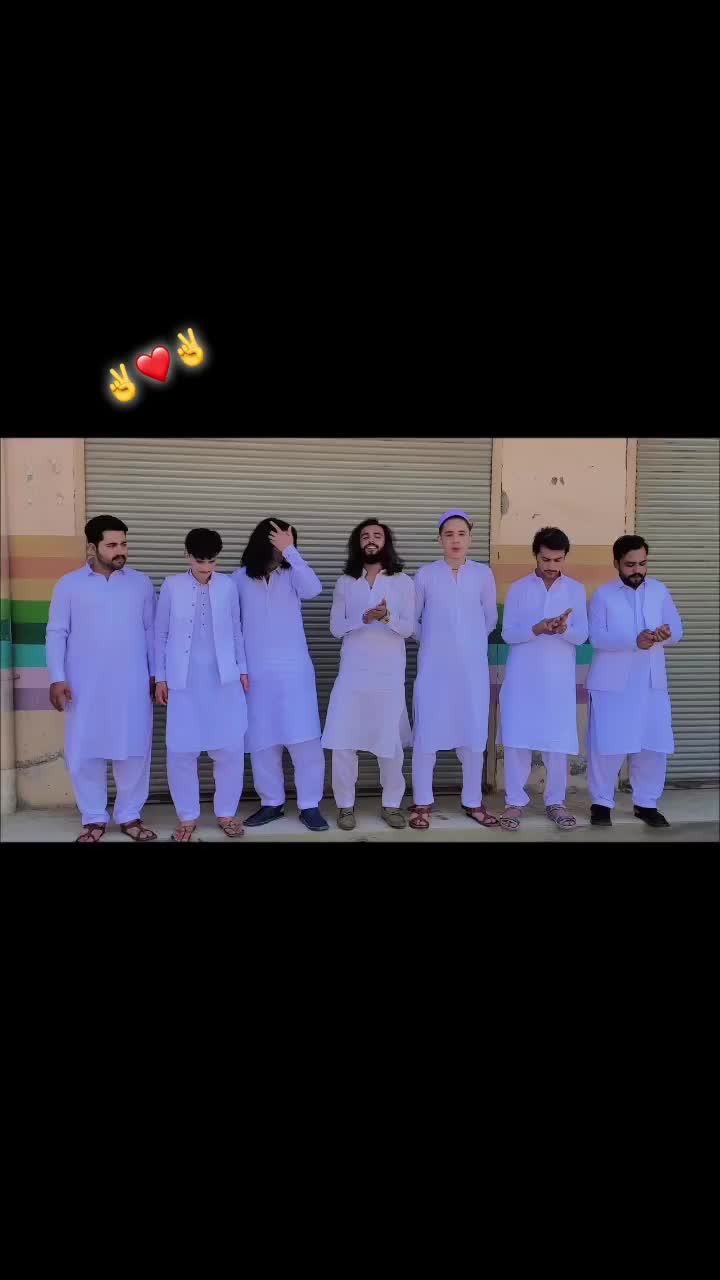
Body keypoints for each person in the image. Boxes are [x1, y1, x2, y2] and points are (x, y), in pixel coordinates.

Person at [46, 514, 158, 844]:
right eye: (111, 545)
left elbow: (153, 633)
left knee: (133, 750)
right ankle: (94, 818)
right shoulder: (69, 584)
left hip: (132, 683)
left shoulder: (141, 583)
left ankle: (129, 815)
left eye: (124, 543)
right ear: (92, 547)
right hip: (84, 685)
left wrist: (157, 675)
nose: (120, 550)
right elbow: (56, 632)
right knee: (85, 751)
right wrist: (57, 678)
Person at [232, 518, 329, 832]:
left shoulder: (294, 574)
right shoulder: (239, 579)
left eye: (289, 540)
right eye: (279, 540)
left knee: (305, 740)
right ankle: (271, 802)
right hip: (255, 674)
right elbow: (233, 628)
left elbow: (314, 589)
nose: (284, 546)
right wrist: (240, 668)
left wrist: (291, 553)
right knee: (262, 741)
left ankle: (309, 805)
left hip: (294, 671)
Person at [154, 529, 249, 842]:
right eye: (200, 560)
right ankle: (187, 817)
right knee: (181, 751)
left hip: (224, 679)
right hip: (184, 681)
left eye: (212, 561)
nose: (206, 567)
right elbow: (160, 634)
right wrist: (160, 677)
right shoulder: (172, 586)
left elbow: (236, 630)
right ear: (187, 556)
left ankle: (226, 813)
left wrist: (243, 669)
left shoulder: (228, 586)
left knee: (230, 748)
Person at [321, 518, 414, 830]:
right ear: (357, 543)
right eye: (365, 536)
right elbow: (336, 628)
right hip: (352, 673)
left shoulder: (403, 581)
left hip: (388, 674)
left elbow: (408, 628)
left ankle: (391, 805)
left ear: (386, 542)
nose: (371, 540)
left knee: (390, 742)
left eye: (377, 535)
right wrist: (362, 618)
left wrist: (387, 617)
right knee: (343, 741)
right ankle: (345, 806)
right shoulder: (346, 582)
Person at [410, 510, 499, 831]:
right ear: (440, 540)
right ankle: (422, 802)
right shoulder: (425, 575)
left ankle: (472, 800)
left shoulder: (483, 574)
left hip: (471, 671)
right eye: (449, 534)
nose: (455, 540)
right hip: (434, 669)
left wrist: (467, 643)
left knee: (473, 733)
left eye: (461, 533)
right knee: (427, 732)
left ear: (470, 538)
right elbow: (413, 620)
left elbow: (490, 619)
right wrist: (435, 642)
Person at [586, 534, 683, 828]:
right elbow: (596, 637)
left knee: (653, 744)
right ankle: (601, 803)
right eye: (630, 565)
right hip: (613, 683)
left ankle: (646, 803)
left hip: (651, 681)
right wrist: (633, 640)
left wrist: (665, 635)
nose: (637, 570)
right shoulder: (603, 595)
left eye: (642, 563)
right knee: (608, 744)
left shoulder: (660, 591)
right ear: (616, 563)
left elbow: (677, 630)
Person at [497, 527, 588, 832]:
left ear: (565, 558)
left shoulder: (575, 590)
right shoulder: (519, 589)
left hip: (558, 680)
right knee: (517, 740)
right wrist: (536, 628)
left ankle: (556, 802)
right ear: (535, 555)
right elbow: (508, 634)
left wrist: (564, 629)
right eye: (546, 559)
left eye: (557, 560)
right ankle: (514, 802)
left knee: (557, 743)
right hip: (522, 679)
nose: (551, 565)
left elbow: (582, 635)